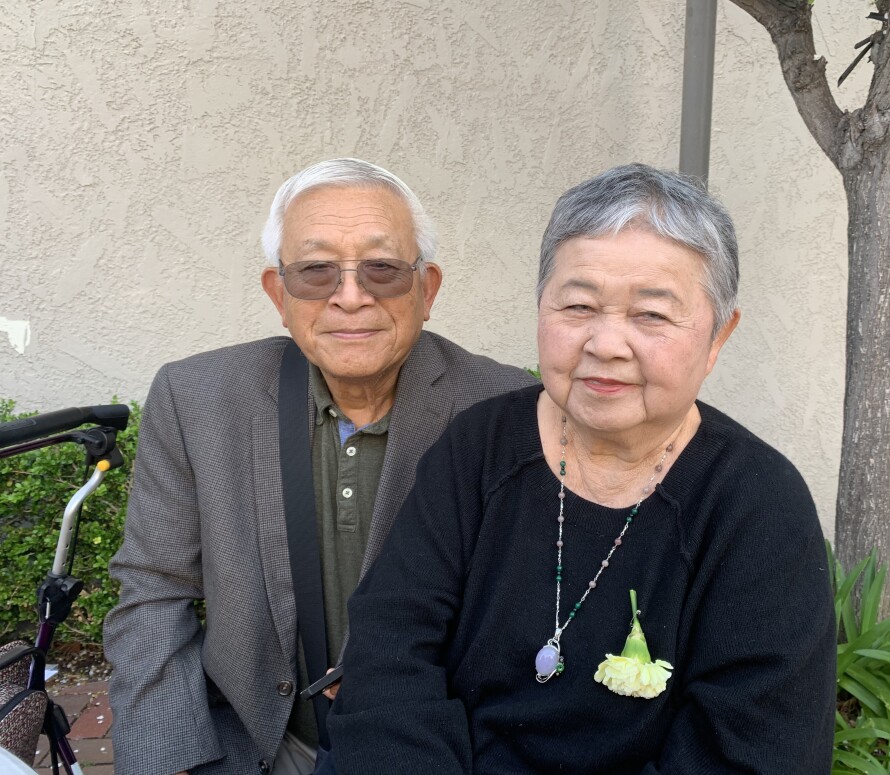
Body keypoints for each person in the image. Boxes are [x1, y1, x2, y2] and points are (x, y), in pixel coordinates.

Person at [318, 163, 836, 774]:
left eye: (651, 315)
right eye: (579, 305)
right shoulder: (479, 446)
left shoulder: (757, 505)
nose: (606, 344)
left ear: (718, 337)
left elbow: (754, 751)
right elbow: (391, 651)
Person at [102, 158, 536, 775]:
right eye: (315, 271)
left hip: (439, 750)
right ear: (278, 294)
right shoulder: (196, 398)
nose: (351, 297)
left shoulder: (507, 410)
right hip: (263, 746)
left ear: (428, 289)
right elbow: (154, 592)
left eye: (383, 269)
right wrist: (171, 763)